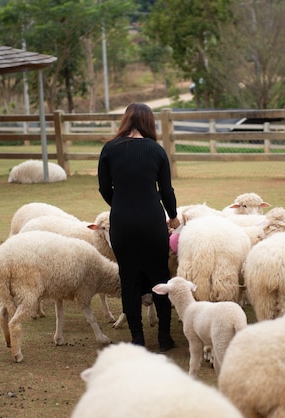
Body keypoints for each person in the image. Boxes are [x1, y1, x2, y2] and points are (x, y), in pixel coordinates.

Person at [97, 102, 180, 351]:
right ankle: (164, 336)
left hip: (122, 224)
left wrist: (120, 205)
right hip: (152, 222)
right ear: (149, 122)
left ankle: (137, 339)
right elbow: (166, 190)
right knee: (160, 275)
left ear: (126, 120)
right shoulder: (156, 151)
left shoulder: (109, 149)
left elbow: (104, 188)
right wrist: (173, 216)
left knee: (129, 278)